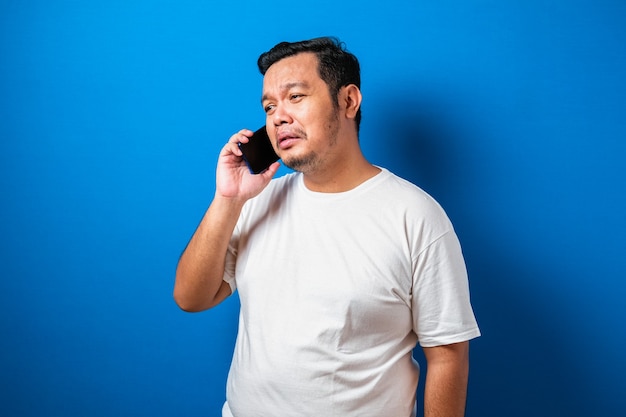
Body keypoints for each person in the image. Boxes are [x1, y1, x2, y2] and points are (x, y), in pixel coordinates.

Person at [174, 37, 480, 417]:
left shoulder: (415, 216)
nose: (277, 117)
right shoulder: (256, 202)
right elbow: (191, 297)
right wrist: (229, 199)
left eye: (295, 97)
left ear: (348, 101)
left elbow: (448, 354)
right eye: (269, 106)